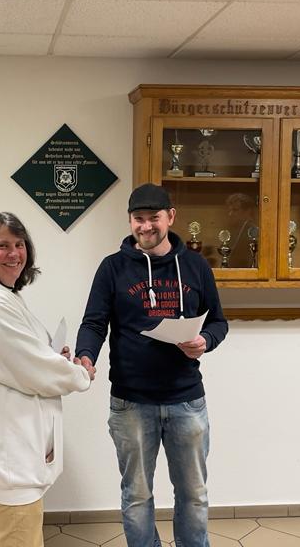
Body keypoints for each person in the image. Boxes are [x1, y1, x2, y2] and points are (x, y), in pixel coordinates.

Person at [75, 183, 228, 547]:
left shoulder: (195, 265)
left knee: (194, 495)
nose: (146, 226)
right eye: (138, 219)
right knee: (137, 496)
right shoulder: (112, 268)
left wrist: (205, 341)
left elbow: (218, 322)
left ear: (170, 217)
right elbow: (94, 323)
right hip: (131, 402)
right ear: (130, 220)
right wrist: (85, 356)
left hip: (186, 401)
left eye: (153, 218)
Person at [0, 211, 92, 547]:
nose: (14, 253)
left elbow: (23, 357)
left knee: (0, 538)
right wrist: (79, 374)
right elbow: (33, 369)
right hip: (10, 458)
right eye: (2, 245)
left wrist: (51, 356)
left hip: (8, 457)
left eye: (19, 244)